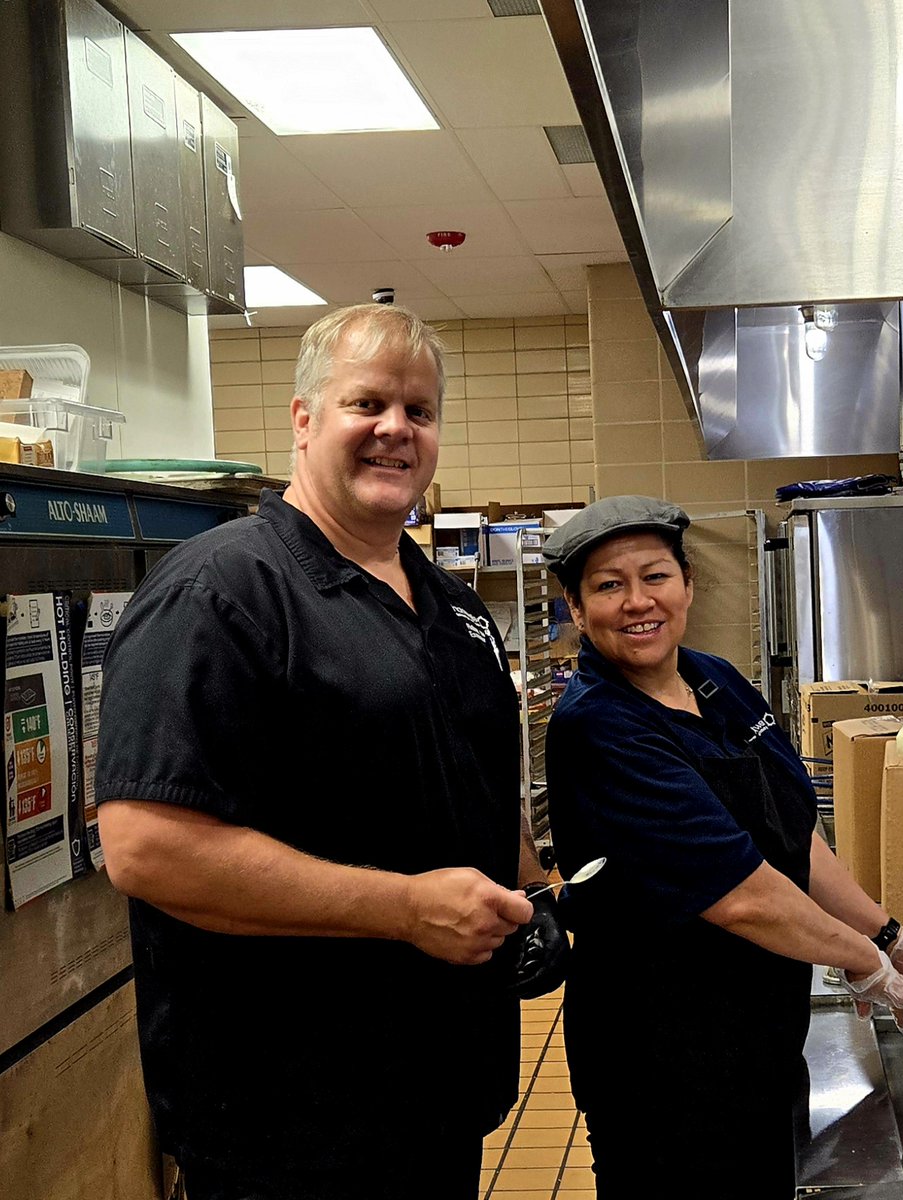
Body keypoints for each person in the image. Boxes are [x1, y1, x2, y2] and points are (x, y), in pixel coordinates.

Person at [95, 304, 568, 1200]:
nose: (396, 430)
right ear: (304, 418)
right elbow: (147, 846)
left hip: (435, 1096)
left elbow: (460, 779)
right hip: (292, 1123)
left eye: (419, 412)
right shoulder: (221, 593)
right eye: (368, 404)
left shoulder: (453, 608)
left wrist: (530, 891)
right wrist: (403, 909)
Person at [542, 495, 903, 1200]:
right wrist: (863, 960)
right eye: (607, 585)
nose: (636, 602)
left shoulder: (717, 683)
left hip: (756, 1038)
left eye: (655, 576)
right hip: (661, 1063)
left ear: (686, 583)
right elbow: (741, 895)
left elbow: (790, 832)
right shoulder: (599, 727)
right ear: (577, 605)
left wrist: (888, 933)